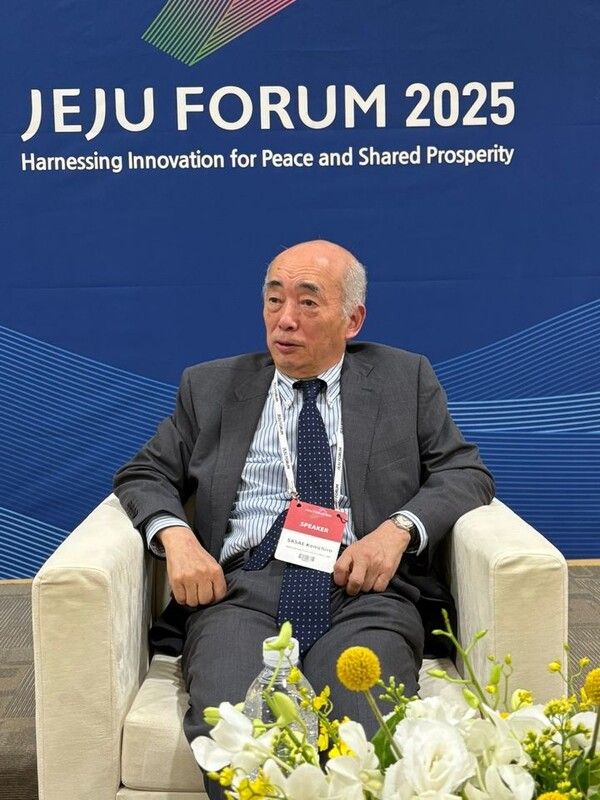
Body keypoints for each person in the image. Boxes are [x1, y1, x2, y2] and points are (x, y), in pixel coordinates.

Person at [113, 239, 494, 796]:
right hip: (241, 592)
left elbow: (465, 472)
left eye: (308, 302)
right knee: (240, 736)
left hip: (363, 588)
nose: (285, 320)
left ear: (352, 319)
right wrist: (176, 537)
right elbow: (143, 473)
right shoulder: (211, 386)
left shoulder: (404, 379)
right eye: (274, 300)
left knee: (362, 733)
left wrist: (397, 531)